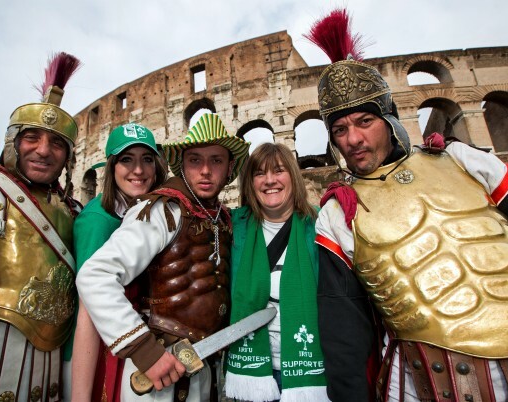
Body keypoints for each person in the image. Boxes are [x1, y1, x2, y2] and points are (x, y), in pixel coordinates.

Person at [305, 9, 508, 401]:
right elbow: (343, 326)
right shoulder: (336, 213)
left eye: (365, 121)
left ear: (389, 119)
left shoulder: (460, 160)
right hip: (432, 375)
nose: (353, 139)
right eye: (340, 130)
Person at [76, 113, 250, 401]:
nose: (205, 170)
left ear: (230, 167)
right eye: (195, 160)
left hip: (202, 366)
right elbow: (96, 276)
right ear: (181, 165)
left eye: (216, 160)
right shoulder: (161, 209)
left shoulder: (222, 217)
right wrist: (145, 351)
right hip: (157, 368)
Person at [0, 52, 82, 402]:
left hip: (53, 371)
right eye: (32, 138)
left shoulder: (73, 211)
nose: (44, 151)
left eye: (57, 143)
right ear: (13, 142)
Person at [68, 123, 167, 402]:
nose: (138, 170)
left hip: (121, 341)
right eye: (127, 160)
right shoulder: (98, 219)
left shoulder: (137, 211)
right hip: (95, 352)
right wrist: (80, 396)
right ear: (111, 167)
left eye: (147, 160)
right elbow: (88, 306)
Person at [225, 143, 329, 402]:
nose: (270, 180)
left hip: (314, 367)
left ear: (293, 176)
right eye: (259, 173)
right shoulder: (231, 226)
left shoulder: (323, 225)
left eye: (279, 171)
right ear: (250, 182)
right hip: (253, 373)